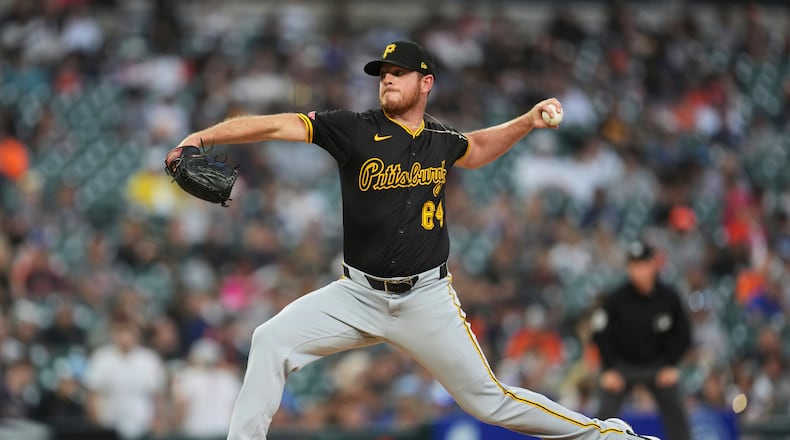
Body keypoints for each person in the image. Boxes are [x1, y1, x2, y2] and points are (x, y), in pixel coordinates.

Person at [171, 40, 658, 440]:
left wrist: (527, 121)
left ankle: (609, 436)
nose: (387, 78)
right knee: (269, 339)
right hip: (357, 294)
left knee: (488, 400)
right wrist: (203, 137)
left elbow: (478, 147)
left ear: (425, 82)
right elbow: (277, 124)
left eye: (399, 72)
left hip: (426, 298)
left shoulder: (440, 139)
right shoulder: (353, 129)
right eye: (383, 72)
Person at [592, 240, 692, 440]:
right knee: (603, 414)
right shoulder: (616, 298)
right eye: (633, 266)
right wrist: (608, 368)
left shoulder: (669, 297)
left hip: (658, 365)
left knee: (676, 411)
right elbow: (600, 334)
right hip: (622, 366)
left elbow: (684, 335)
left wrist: (672, 364)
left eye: (642, 265)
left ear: (653, 265)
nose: (637, 271)